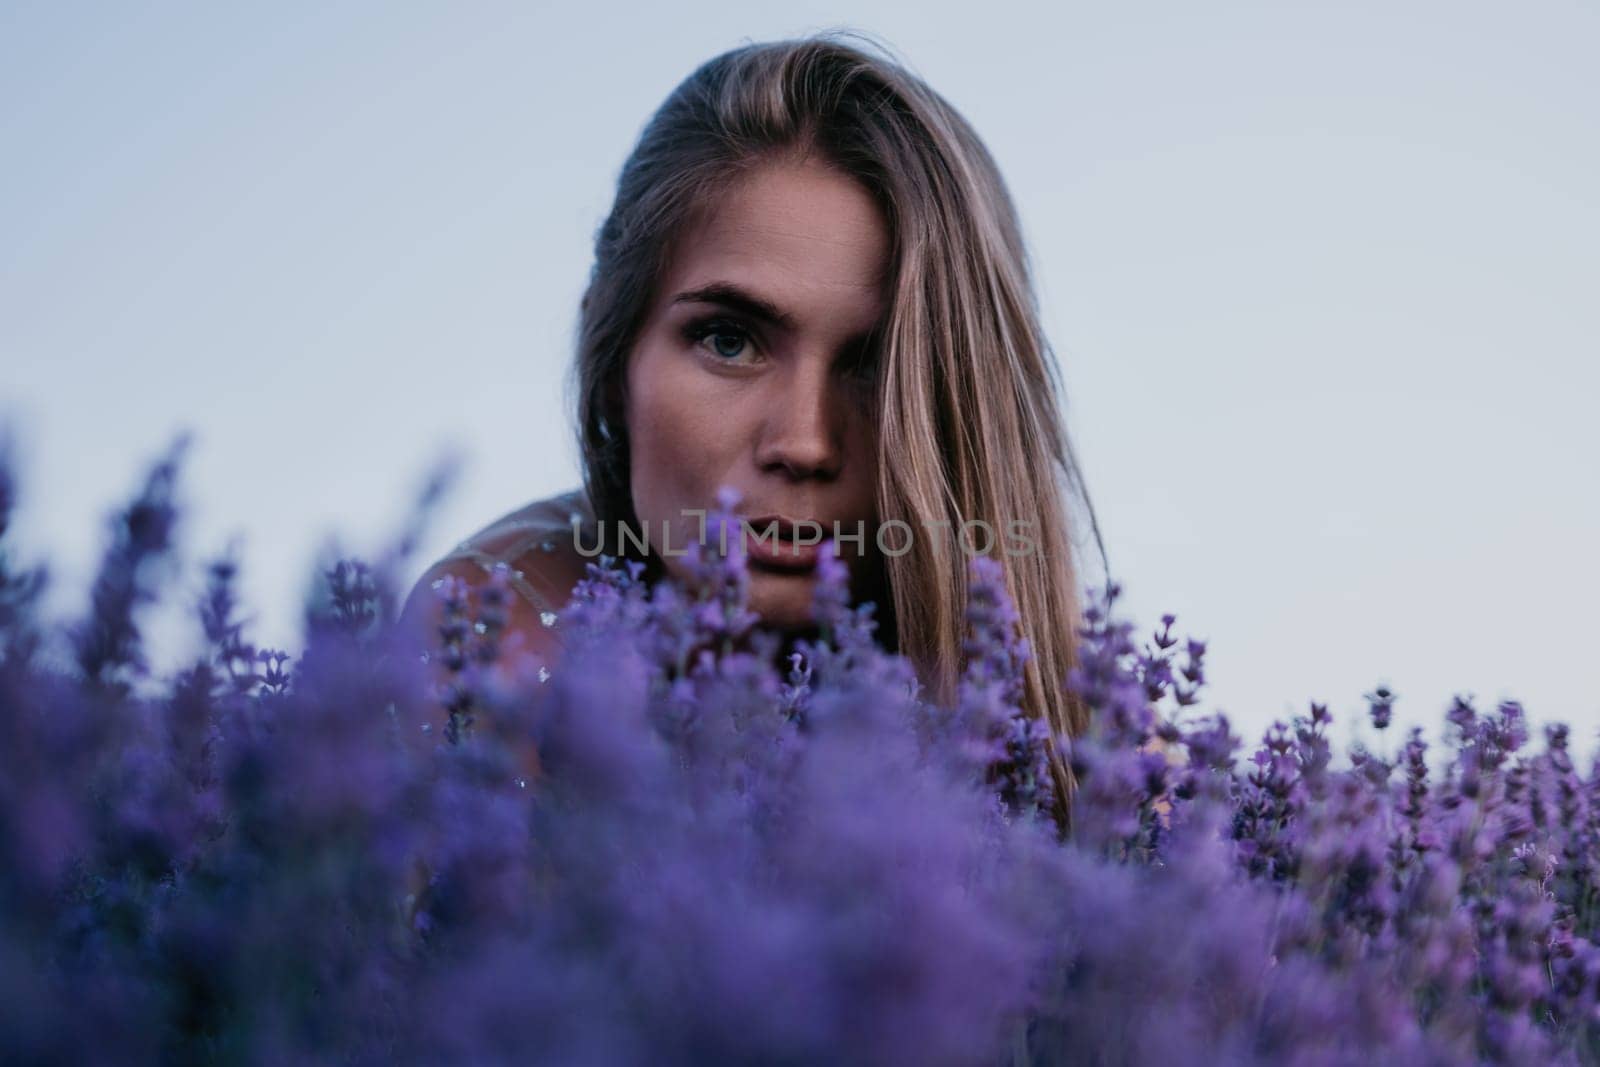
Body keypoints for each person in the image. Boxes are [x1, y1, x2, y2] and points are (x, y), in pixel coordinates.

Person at [401, 30, 1110, 818]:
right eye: (729, 341)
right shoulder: (497, 642)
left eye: (876, 365)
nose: (804, 442)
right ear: (613, 361)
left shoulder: (1081, 720)